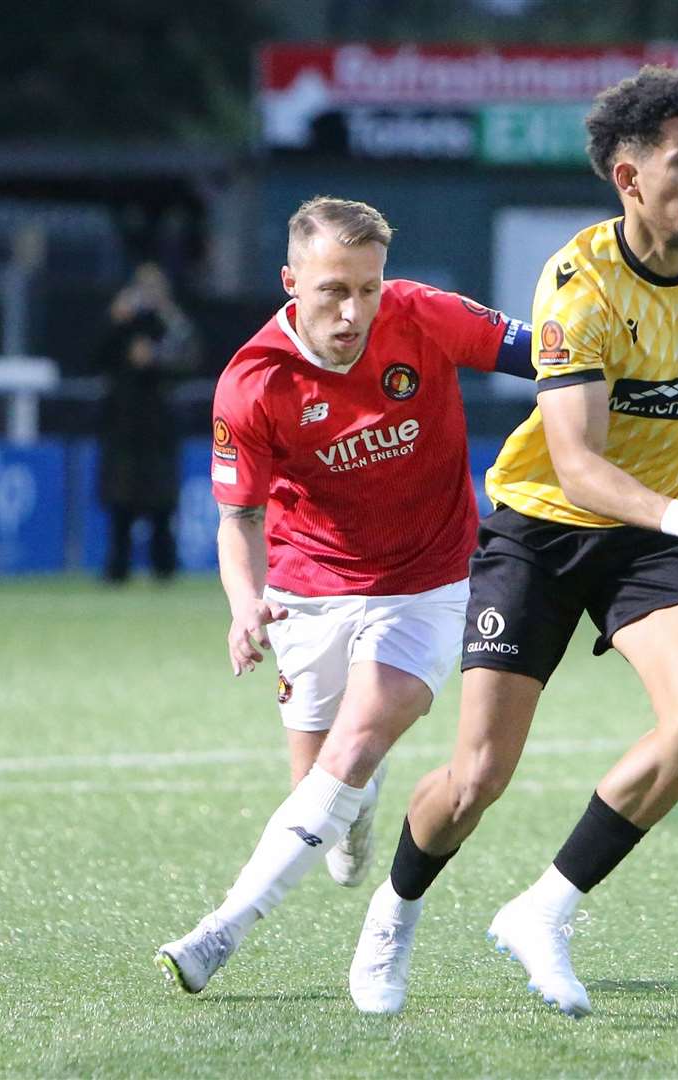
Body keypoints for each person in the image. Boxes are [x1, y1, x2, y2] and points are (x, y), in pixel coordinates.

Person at [346, 65, 678, 1019]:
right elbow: (579, 464)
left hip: (653, 533)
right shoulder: (577, 283)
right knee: (476, 778)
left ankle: (543, 910)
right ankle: (392, 912)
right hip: (543, 529)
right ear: (629, 178)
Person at [154, 196, 534, 994]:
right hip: (308, 589)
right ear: (292, 281)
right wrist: (242, 602)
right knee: (320, 786)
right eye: (332, 290)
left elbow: (546, 357)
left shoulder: (422, 314)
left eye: (368, 288)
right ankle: (351, 807)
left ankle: (221, 929)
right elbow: (239, 518)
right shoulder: (252, 383)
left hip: (427, 582)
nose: (354, 310)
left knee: (355, 746)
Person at [97, 262, 199, 583]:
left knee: (161, 505)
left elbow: (190, 359)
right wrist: (113, 322)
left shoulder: (172, 323)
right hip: (122, 428)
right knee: (120, 504)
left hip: (158, 429)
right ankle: (117, 570)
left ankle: (164, 569)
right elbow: (95, 358)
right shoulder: (120, 323)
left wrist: (155, 358)